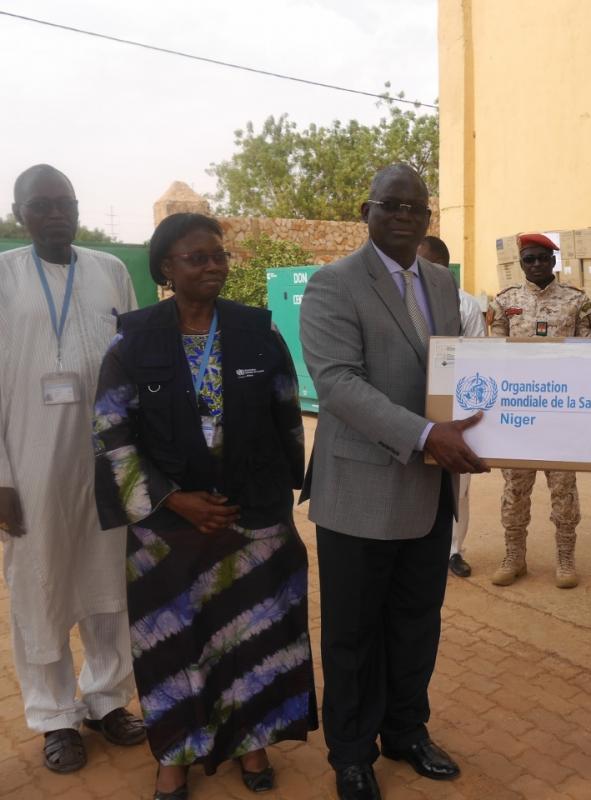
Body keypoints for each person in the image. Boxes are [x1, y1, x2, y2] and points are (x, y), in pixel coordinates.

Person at [92, 212, 318, 799]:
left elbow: (285, 417)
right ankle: (175, 754)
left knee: (252, 636)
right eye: (197, 257)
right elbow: (112, 431)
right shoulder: (132, 341)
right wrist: (173, 499)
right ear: (166, 268)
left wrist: (269, 503)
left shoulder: (256, 332)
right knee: (174, 643)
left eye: (218, 255)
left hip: (250, 522)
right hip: (165, 531)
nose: (213, 265)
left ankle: (252, 740)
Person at [300, 164, 488, 800]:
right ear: (368, 210)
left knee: (416, 621)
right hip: (360, 490)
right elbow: (337, 383)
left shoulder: (440, 281)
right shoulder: (334, 284)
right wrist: (426, 434)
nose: (407, 217)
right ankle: (351, 753)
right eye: (393, 205)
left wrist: (501, 424)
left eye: (418, 208)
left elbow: (458, 371)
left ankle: (406, 730)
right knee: (353, 632)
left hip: (429, 489)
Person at [0, 164, 144, 775]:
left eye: (66, 203)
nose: (56, 213)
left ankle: (108, 699)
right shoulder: (2, 277)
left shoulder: (109, 271)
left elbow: (137, 366)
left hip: (109, 461)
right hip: (29, 464)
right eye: (42, 204)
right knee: (41, 586)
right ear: (20, 212)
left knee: (111, 583)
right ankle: (55, 713)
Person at [486, 233, 591, 589]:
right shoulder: (505, 302)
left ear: (554, 260)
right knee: (515, 488)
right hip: (518, 412)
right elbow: (494, 354)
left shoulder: (577, 301)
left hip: (560, 413)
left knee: (563, 487)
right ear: (521, 263)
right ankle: (514, 557)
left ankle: (565, 558)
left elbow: (590, 356)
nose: (535, 265)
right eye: (528, 259)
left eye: (542, 258)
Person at [417, 234, 486, 579]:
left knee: (458, 484)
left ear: (445, 268)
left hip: (457, 408)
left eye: (430, 265)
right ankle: (420, 545)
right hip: (412, 406)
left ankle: (454, 551)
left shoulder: (466, 306)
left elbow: (480, 358)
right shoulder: (402, 299)